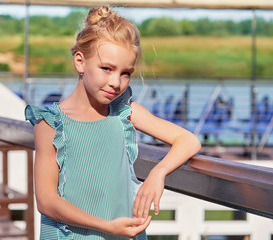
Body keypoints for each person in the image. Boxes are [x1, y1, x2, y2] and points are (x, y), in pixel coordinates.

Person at [25, 6, 201, 240]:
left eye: (126, 73)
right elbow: (46, 202)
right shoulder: (50, 124)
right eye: (106, 69)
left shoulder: (124, 113)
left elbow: (188, 140)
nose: (116, 82)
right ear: (80, 61)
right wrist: (107, 227)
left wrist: (157, 174)